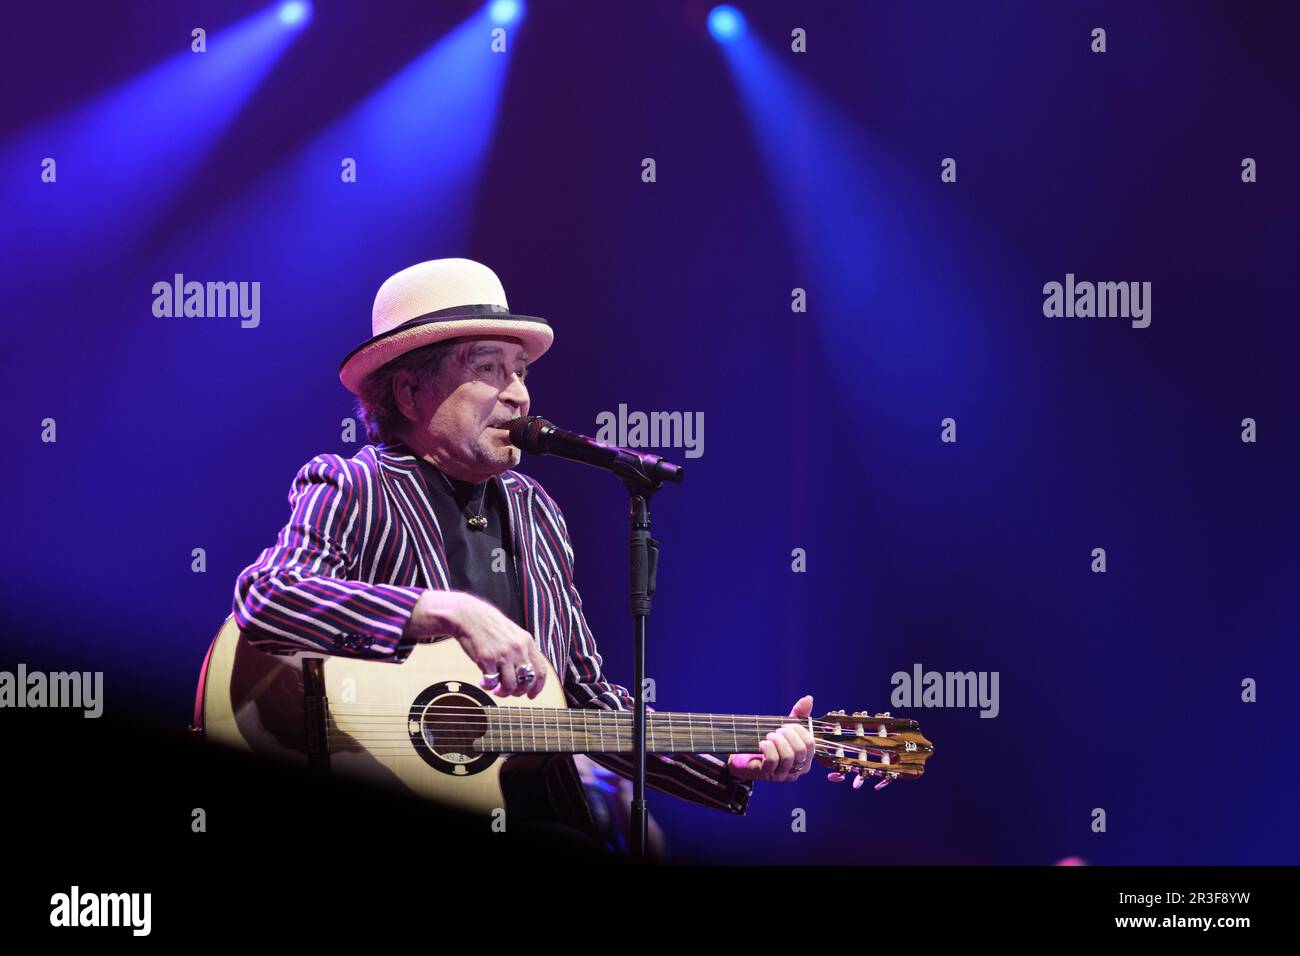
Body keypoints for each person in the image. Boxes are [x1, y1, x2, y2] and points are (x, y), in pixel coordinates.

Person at [231, 258, 817, 852]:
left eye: (520, 371)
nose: (518, 396)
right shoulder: (355, 486)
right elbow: (266, 597)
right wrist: (443, 610)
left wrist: (724, 765)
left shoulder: (536, 511)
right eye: (488, 369)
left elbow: (584, 700)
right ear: (409, 393)